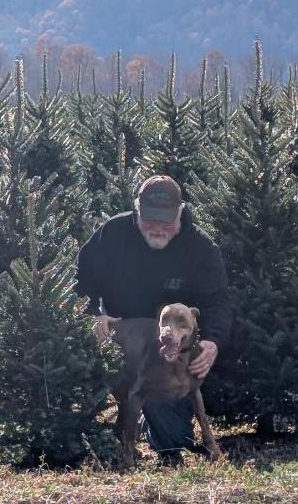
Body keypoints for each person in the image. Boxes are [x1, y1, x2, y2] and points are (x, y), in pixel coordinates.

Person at [75, 174, 232, 461]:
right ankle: (103, 438)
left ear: (180, 214)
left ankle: (154, 421)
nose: (158, 227)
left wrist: (212, 342)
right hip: (120, 343)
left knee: (174, 444)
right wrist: (93, 316)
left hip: (169, 355)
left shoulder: (199, 249)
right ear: (136, 212)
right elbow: (80, 281)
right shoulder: (112, 234)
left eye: (166, 221)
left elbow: (218, 301)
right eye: (150, 219)